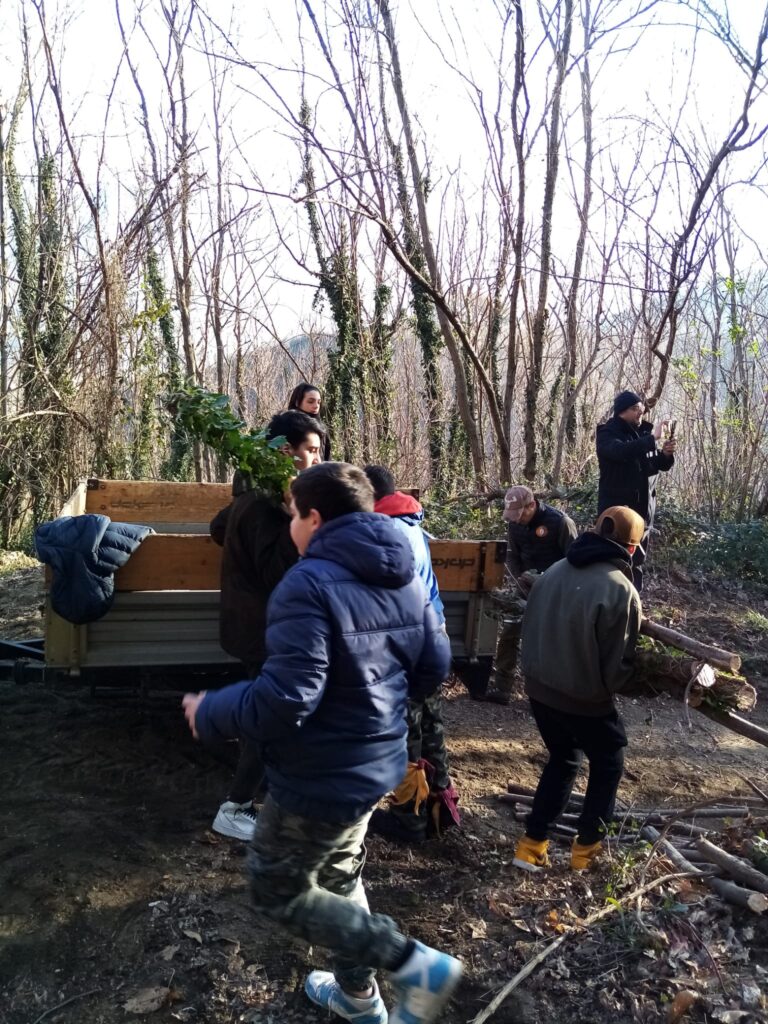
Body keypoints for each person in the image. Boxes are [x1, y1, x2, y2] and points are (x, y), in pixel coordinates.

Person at [183, 462, 462, 1024]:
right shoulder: (405, 570)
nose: (289, 525)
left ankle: (413, 964)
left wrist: (211, 709)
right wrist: (373, 703)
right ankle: (358, 996)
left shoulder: (306, 583)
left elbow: (288, 697)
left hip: (320, 773)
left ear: (314, 518)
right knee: (338, 876)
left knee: (277, 889)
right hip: (377, 762)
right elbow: (433, 668)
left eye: (291, 514)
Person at [207, 410, 323, 840]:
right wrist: (298, 521)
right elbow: (278, 573)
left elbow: (218, 527)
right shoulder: (266, 506)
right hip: (265, 631)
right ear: (285, 451)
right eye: (311, 450)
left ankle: (275, 794)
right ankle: (235, 807)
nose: (317, 459)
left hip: (254, 626)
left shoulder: (254, 494)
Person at [512, 506, 644, 873]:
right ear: (631, 548)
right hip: (583, 699)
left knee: (564, 758)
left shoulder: (555, 569)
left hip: (538, 689)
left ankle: (531, 846)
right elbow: (617, 669)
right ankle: (586, 852)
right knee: (608, 761)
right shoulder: (621, 590)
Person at [363, 465, 459, 844]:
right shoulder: (410, 523)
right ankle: (440, 804)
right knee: (431, 725)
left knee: (405, 733)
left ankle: (408, 820)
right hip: (432, 635)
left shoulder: (386, 533)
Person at [485, 485, 577, 706]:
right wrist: (518, 579)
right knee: (509, 631)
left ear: (532, 505)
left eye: (520, 514)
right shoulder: (514, 524)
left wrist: (553, 584)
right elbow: (513, 555)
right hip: (524, 587)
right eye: (512, 516)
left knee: (548, 640)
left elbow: (575, 560)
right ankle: (502, 686)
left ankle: (549, 692)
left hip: (555, 591)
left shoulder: (560, 523)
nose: (516, 520)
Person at [596, 390, 676, 591]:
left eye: (642, 410)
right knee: (610, 557)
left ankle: (633, 600)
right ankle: (607, 597)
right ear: (623, 411)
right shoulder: (607, 433)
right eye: (636, 410)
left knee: (636, 560)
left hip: (643, 511)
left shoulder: (642, 434)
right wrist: (652, 438)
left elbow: (654, 465)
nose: (641, 413)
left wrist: (665, 455)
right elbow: (620, 452)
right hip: (616, 513)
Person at [287, 381, 332, 462]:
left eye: (319, 402)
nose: (316, 406)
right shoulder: (286, 425)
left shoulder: (321, 428)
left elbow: (327, 457)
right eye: (310, 402)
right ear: (297, 402)